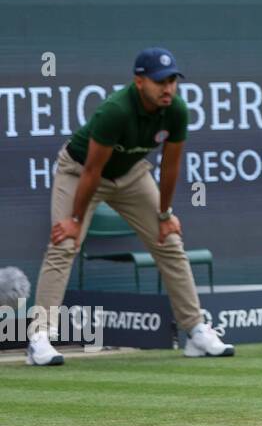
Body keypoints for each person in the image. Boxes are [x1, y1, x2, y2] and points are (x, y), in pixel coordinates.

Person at [25, 48, 235, 366]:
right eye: (160, 82)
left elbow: (170, 167)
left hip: (131, 173)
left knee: (170, 241)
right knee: (65, 242)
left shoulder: (176, 110)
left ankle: (195, 331)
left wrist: (165, 216)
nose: (168, 88)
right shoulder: (115, 111)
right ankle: (39, 338)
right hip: (80, 171)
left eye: (172, 81)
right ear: (140, 82)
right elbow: (93, 171)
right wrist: (75, 220)